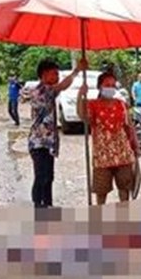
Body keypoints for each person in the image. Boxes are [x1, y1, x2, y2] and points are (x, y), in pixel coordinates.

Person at [27, 57, 87, 208]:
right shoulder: (40, 91)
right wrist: (77, 71)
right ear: (44, 74)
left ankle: (48, 205)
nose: (57, 77)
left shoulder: (49, 91)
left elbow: (60, 86)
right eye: (54, 73)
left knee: (49, 177)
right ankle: (38, 205)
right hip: (39, 143)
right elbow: (62, 86)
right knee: (41, 176)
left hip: (48, 142)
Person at [79, 73, 138, 205]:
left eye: (113, 85)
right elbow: (83, 117)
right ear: (99, 87)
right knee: (101, 192)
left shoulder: (121, 105)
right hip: (102, 157)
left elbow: (129, 127)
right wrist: (80, 96)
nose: (110, 88)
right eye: (107, 85)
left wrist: (136, 147)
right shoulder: (93, 105)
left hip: (123, 155)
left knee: (125, 189)